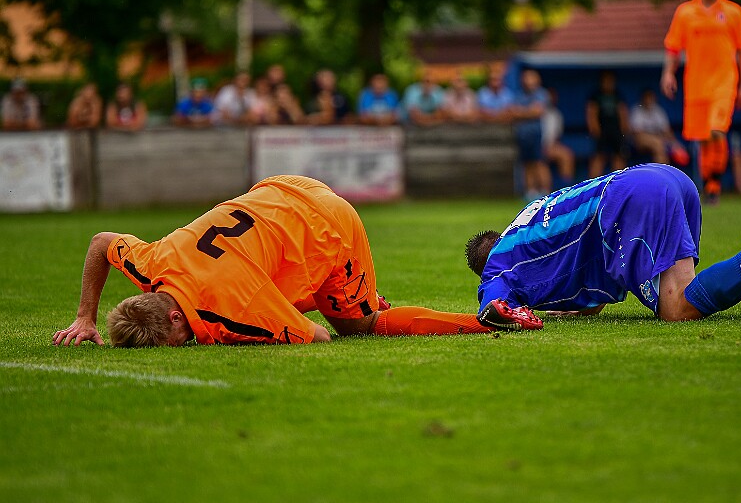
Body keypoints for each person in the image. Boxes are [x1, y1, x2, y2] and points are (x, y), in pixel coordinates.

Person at [53, 175, 542, 348]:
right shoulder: (153, 262)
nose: (186, 345)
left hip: (330, 224)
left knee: (356, 325)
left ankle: (482, 321)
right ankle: (357, 294)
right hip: (284, 187)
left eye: (176, 343)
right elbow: (101, 242)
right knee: (300, 287)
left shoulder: (234, 308)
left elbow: (318, 337)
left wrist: (277, 314)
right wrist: (84, 317)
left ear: (177, 320)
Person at [465, 164, 741, 325]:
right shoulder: (528, 220)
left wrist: (509, 313)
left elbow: (493, 308)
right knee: (682, 294)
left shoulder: (498, 264)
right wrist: (581, 309)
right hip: (664, 178)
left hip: (631, 200)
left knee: (676, 309)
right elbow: (584, 254)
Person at [661, 0, 741, 204]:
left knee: (716, 130)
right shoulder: (685, 13)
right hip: (696, 85)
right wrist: (668, 73)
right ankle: (709, 184)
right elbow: (673, 47)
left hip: (724, 82)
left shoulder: (733, 12)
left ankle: (714, 182)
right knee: (703, 138)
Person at [514, 69, 552, 200]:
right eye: (526, 78)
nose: (528, 81)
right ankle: (530, 193)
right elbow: (512, 112)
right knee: (527, 164)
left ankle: (546, 192)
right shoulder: (519, 94)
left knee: (539, 162)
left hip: (537, 134)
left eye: (531, 78)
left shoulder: (541, 94)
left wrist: (522, 112)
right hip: (522, 135)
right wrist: (528, 112)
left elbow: (538, 111)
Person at [628, 89, 689, 166]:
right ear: (642, 99)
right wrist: (656, 138)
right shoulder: (637, 110)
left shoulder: (658, 111)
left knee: (667, 146)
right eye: (647, 98)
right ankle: (661, 171)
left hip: (658, 140)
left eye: (650, 98)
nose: (648, 100)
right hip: (638, 141)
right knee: (658, 144)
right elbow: (637, 133)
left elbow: (666, 131)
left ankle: (664, 169)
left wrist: (675, 143)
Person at [585, 71, 630, 176]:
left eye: (611, 81)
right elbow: (591, 113)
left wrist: (624, 130)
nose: (609, 83)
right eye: (606, 81)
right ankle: (594, 182)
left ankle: (618, 181)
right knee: (599, 157)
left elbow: (623, 113)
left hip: (616, 132)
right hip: (602, 132)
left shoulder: (618, 95)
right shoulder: (596, 95)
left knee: (619, 156)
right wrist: (594, 129)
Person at [541, 89, 576, 188]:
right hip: (537, 145)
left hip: (551, 145)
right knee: (539, 159)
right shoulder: (538, 111)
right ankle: (544, 190)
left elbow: (557, 136)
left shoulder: (556, 114)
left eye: (553, 97)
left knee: (567, 155)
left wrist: (551, 146)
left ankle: (566, 187)